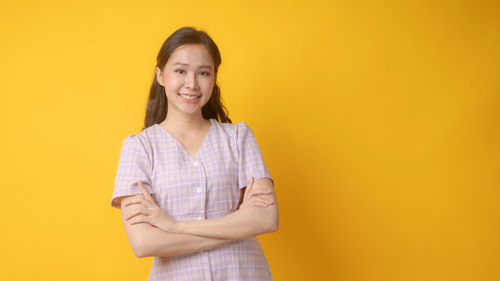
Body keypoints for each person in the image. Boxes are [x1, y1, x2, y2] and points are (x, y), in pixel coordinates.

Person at [110, 26, 279, 281]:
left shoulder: (238, 138)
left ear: (213, 78)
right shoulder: (140, 148)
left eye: (203, 73)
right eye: (180, 71)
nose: (192, 84)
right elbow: (143, 243)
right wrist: (237, 225)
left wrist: (175, 226)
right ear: (161, 75)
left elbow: (267, 218)